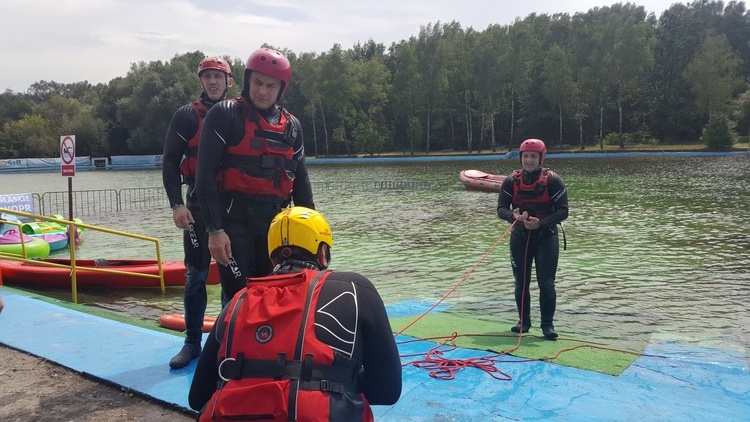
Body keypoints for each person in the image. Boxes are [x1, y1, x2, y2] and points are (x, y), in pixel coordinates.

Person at [188, 206, 402, 421]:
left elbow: (198, 397)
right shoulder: (355, 288)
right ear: (323, 253)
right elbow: (387, 390)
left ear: (272, 258)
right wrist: (340, 380)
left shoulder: (237, 301)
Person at [195, 47, 315, 305]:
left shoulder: (292, 126)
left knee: (275, 299)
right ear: (247, 79)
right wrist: (214, 230)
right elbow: (203, 178)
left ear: (281, 89)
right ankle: (222, 344)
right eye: (257, 82)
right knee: (238, 299)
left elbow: (302, 185)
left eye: (271, 85)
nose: (262, 91)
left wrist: (314, 237)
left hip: (275, 228)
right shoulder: (225, 114)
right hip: (232, 226)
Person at [162, 56, 234, 369]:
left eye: (219, 76)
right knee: (195, 276)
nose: (213, 82)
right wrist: (176, 204)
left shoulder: (239, 115)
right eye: (207, 77)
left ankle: (228, 343)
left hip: (232, 206)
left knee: (233, 278)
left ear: (229, 81)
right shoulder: (186, 116)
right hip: (196, 207)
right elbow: (168, 161)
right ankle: (193, 342)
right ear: (201, 81)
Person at [496, 138, 568, 340]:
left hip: (546, 237)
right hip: (520, 237)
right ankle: (523, 322)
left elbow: (563, 211)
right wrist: (513, 217)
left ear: (541, 158)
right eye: (525, 156)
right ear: (521, 158)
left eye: (533, 156)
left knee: (546, 283)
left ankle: (547, 325)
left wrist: (541, 223)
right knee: (521, 282)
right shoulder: (511, 180)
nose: (529, 160)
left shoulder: (553, 180)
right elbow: (501, 209)